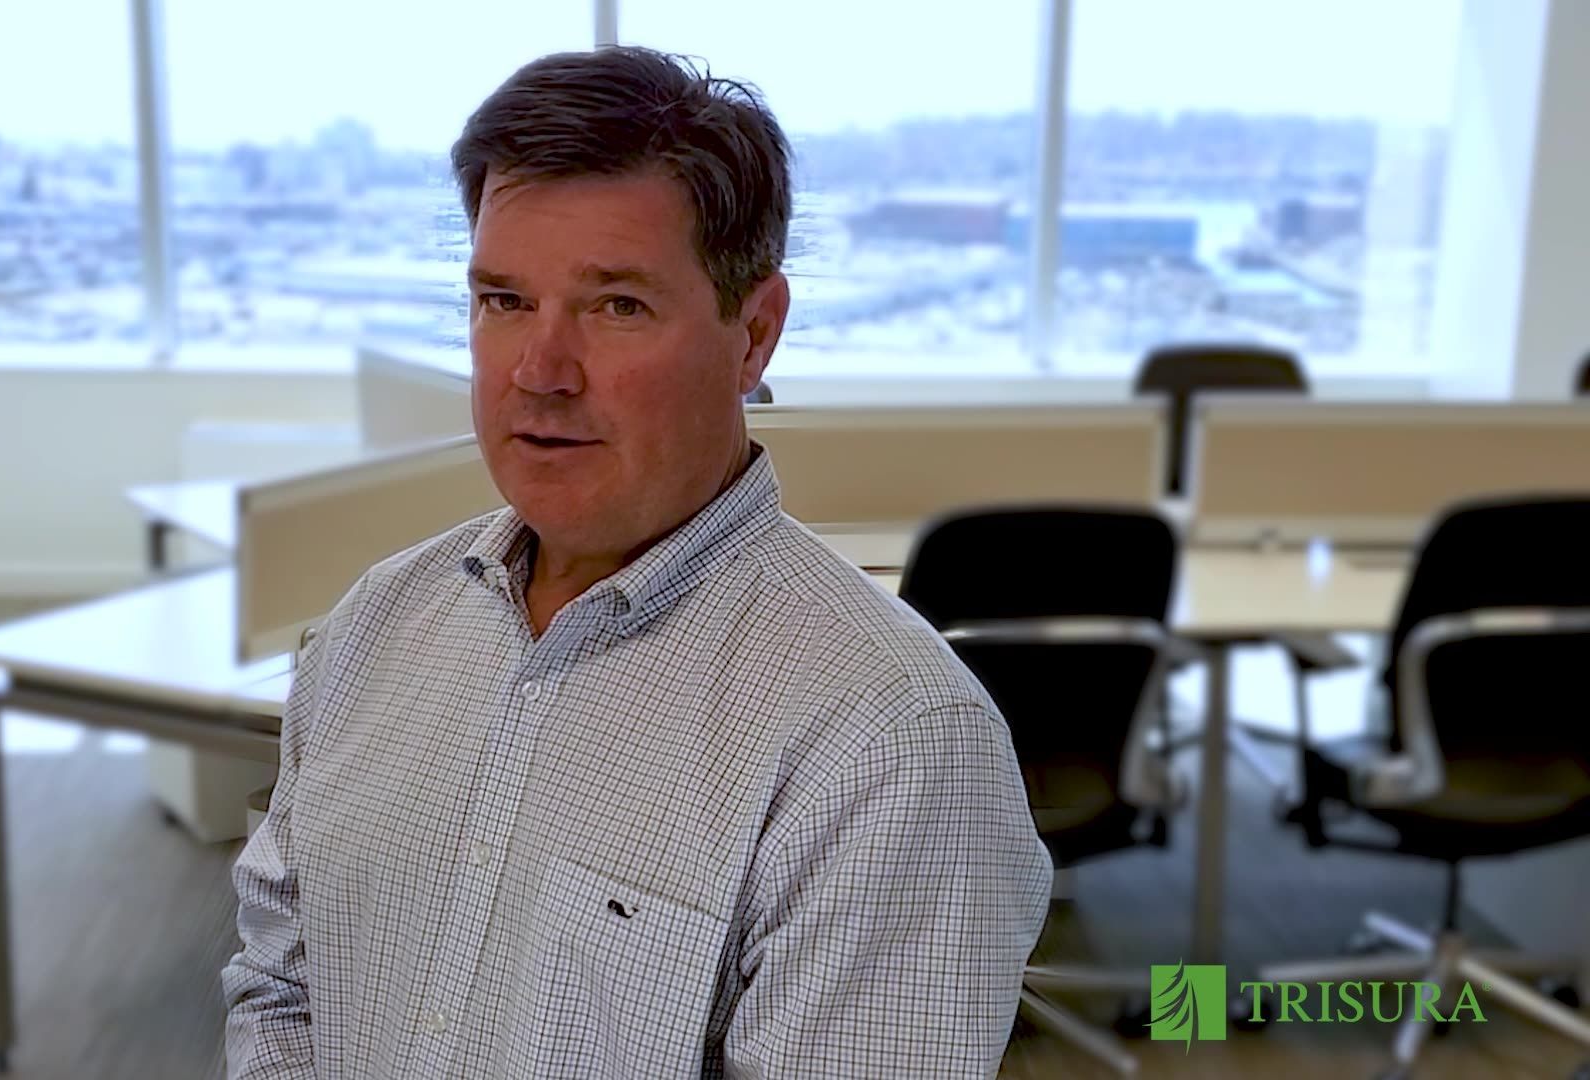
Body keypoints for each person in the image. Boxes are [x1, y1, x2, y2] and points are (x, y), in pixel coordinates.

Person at [222, 45, 1051, 1079]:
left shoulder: (888, 741)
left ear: (754, 333)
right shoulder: (371, 629)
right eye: (503, 300)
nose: (539, 372)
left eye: (616, 306)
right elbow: (281, 987)